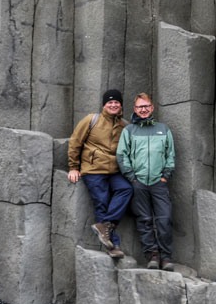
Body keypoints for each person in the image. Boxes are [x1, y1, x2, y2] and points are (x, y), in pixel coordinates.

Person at [67, 89, 132, 259]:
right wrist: (73, 167)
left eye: (116, 102)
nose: (113, 105)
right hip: (93, 169)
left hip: (115, 171)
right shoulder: (91, 120)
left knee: (126, 189)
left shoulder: (124, 125)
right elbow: (75, 142)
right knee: (101, 201)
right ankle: (114, 245)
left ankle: (105, 225)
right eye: (110, 102)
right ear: (104, 105)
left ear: (121, 105)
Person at [116, 92, 175, 271]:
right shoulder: (129, 131)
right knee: (144, 220)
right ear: (135, 109)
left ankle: (166, 258)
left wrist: (165, 175)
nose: (143, 109)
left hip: (159, 182)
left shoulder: (163, 129)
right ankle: (153, 256)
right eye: (140, 107)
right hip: (139, 182)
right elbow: (121, 155)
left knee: (164, 220)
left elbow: (170, 155)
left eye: (146, 106)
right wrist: (132, 177)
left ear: (152, 107)